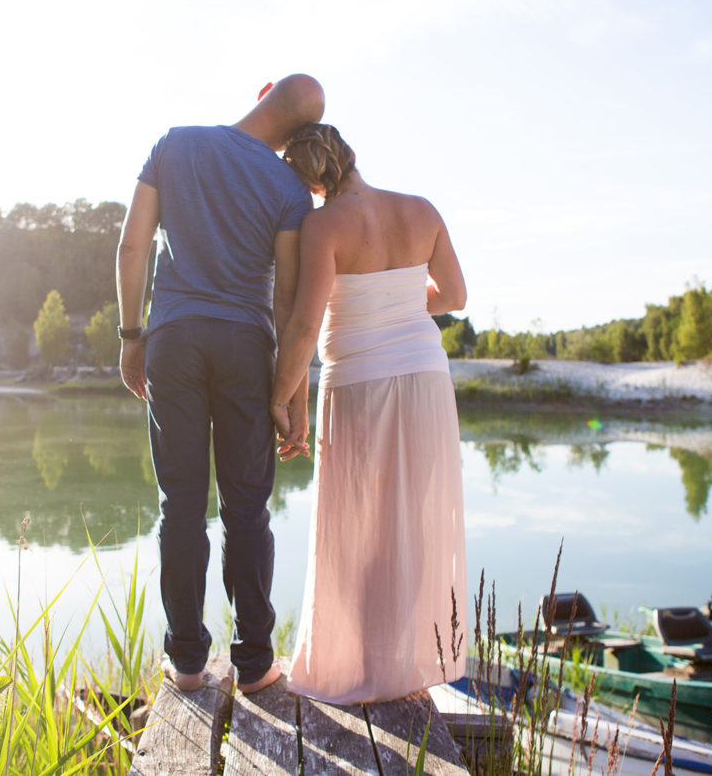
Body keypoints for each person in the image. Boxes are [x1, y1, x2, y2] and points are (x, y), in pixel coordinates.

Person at [115, 75, 325, 694]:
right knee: (246, 510)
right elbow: (289, 303)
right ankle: (255, 665)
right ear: (297, 135)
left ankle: (185, 662)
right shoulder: (291, 188)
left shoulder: (174, 144)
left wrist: (132, 336)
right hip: (246, 348)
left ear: (263, 95)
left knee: (180, 504)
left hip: (173, 340)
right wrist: (295, 397)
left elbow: (132, 247)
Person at [270, 123, 468, 703]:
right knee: (409, 521)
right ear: (350, 155)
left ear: (309, 179)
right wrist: (400, 305)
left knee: (356, 525)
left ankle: (361, 668)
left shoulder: (322, 225)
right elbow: (454, 295)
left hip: (357, 381)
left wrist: (281, 398)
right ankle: (402, 668)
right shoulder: (421, 210)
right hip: (426, 377)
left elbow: (306, 324)